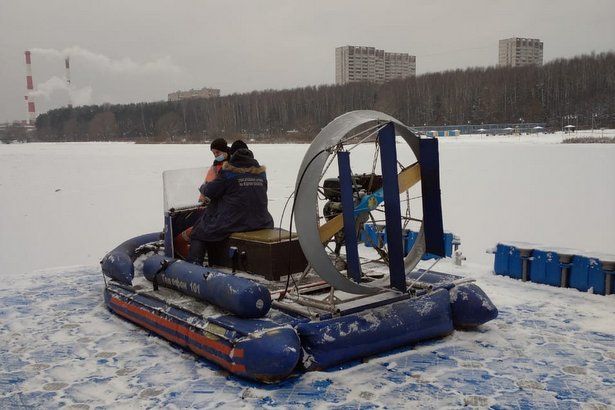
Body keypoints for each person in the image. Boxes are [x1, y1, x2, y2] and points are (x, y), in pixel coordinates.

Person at [188, 148, 274, 266]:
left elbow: (209, 191)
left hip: (234, 222)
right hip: (262, 221)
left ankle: (194, 265)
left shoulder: (228, 173)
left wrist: (204, 187)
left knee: (198, 231)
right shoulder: (261, 175)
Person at [199, 138, 230, 202]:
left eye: (217, 152)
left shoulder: (235, 162)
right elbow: (209, 181)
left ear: (224, 150)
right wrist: (202, 197)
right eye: (214, 153)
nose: (215, 155)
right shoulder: (215, 165)